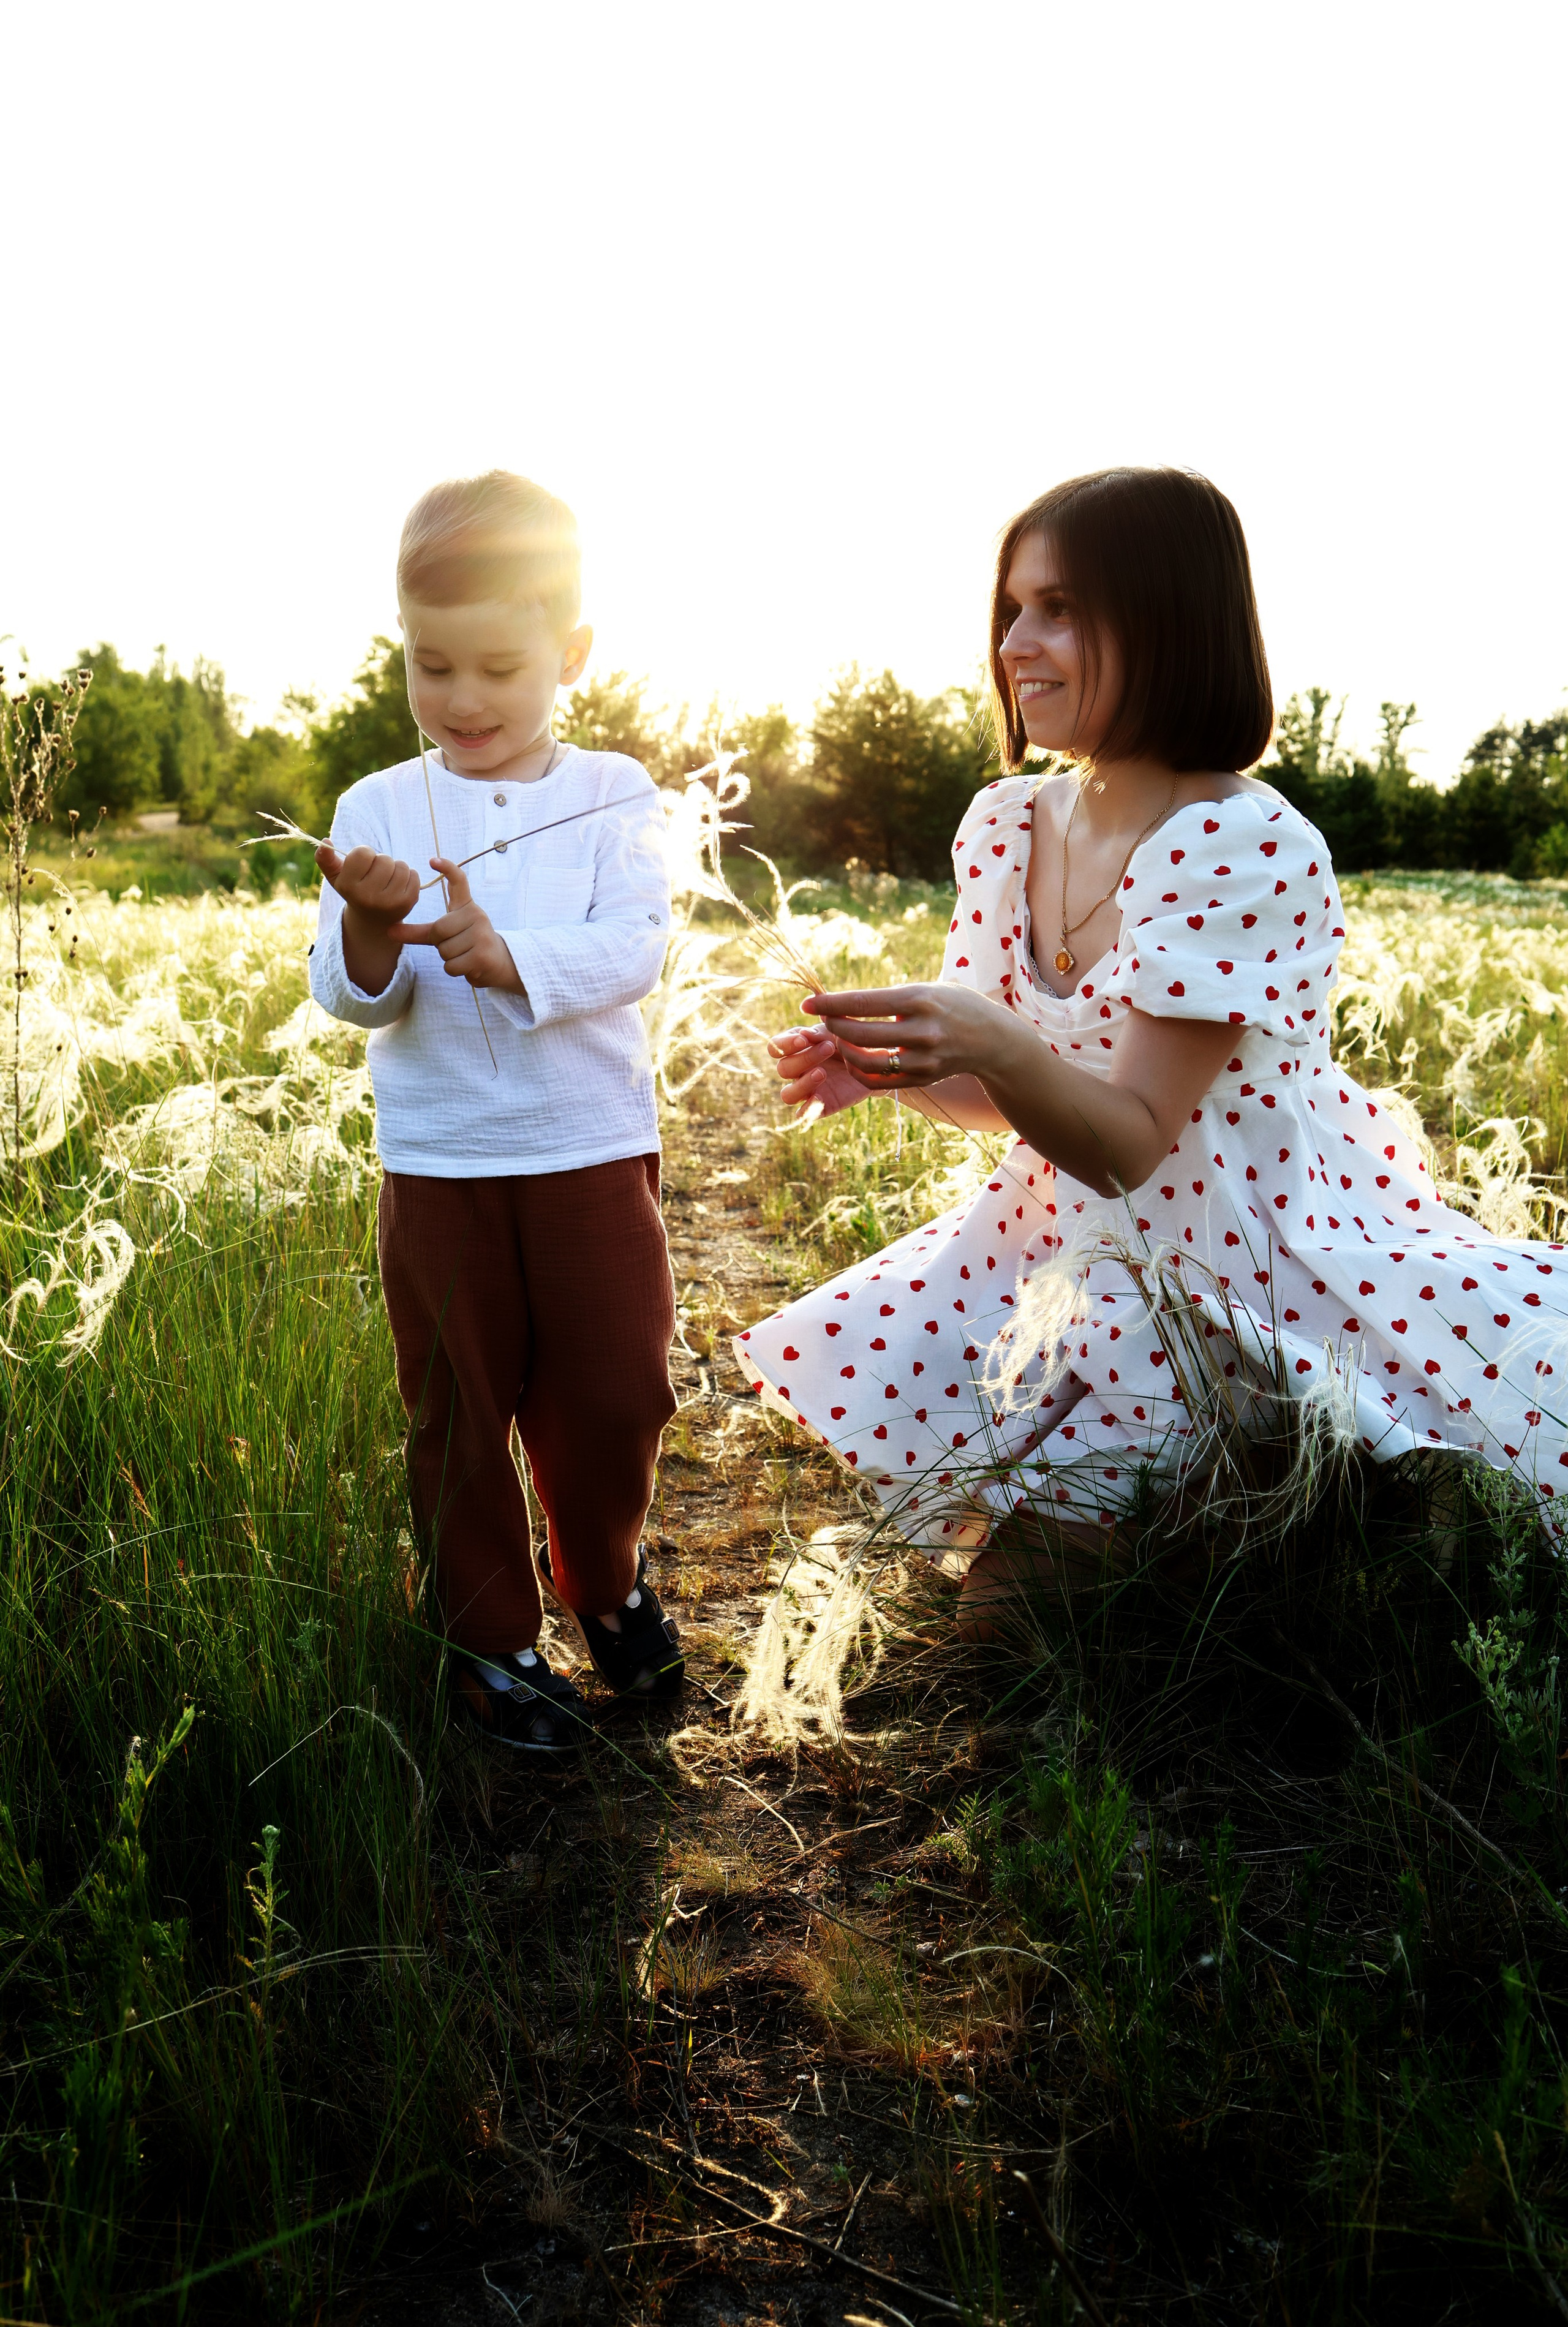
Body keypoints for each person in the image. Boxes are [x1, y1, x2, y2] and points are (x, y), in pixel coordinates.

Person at [734, 467, 1568, 1632]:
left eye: (1062, 608)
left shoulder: (1240, 842)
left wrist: (984, 1042)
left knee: (1018, 1628)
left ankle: (1311, 1492)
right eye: (1013, 609)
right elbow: (1012, 1097)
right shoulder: (1013, 821)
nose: (1018, 643)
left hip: (1239, 1269)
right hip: (1071, 1251)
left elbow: (1128, 1141)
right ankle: (1266, 1523)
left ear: (1171, 619)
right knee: (1010, 1626)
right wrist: (906, 1070)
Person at [309, 470, 683, 1750]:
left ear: (569, 654)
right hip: (442, 1160)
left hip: (585, 1146)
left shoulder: (614, 791)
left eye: (499, 669)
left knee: (617, 1386)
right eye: (431, 666)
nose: (462, 700)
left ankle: (605, 1577)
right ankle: (493, 1646)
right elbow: (352, 1001)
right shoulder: (375, 809)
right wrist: (369, 931)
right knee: (461, 1403)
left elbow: (635, 945)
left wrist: (504, 951)